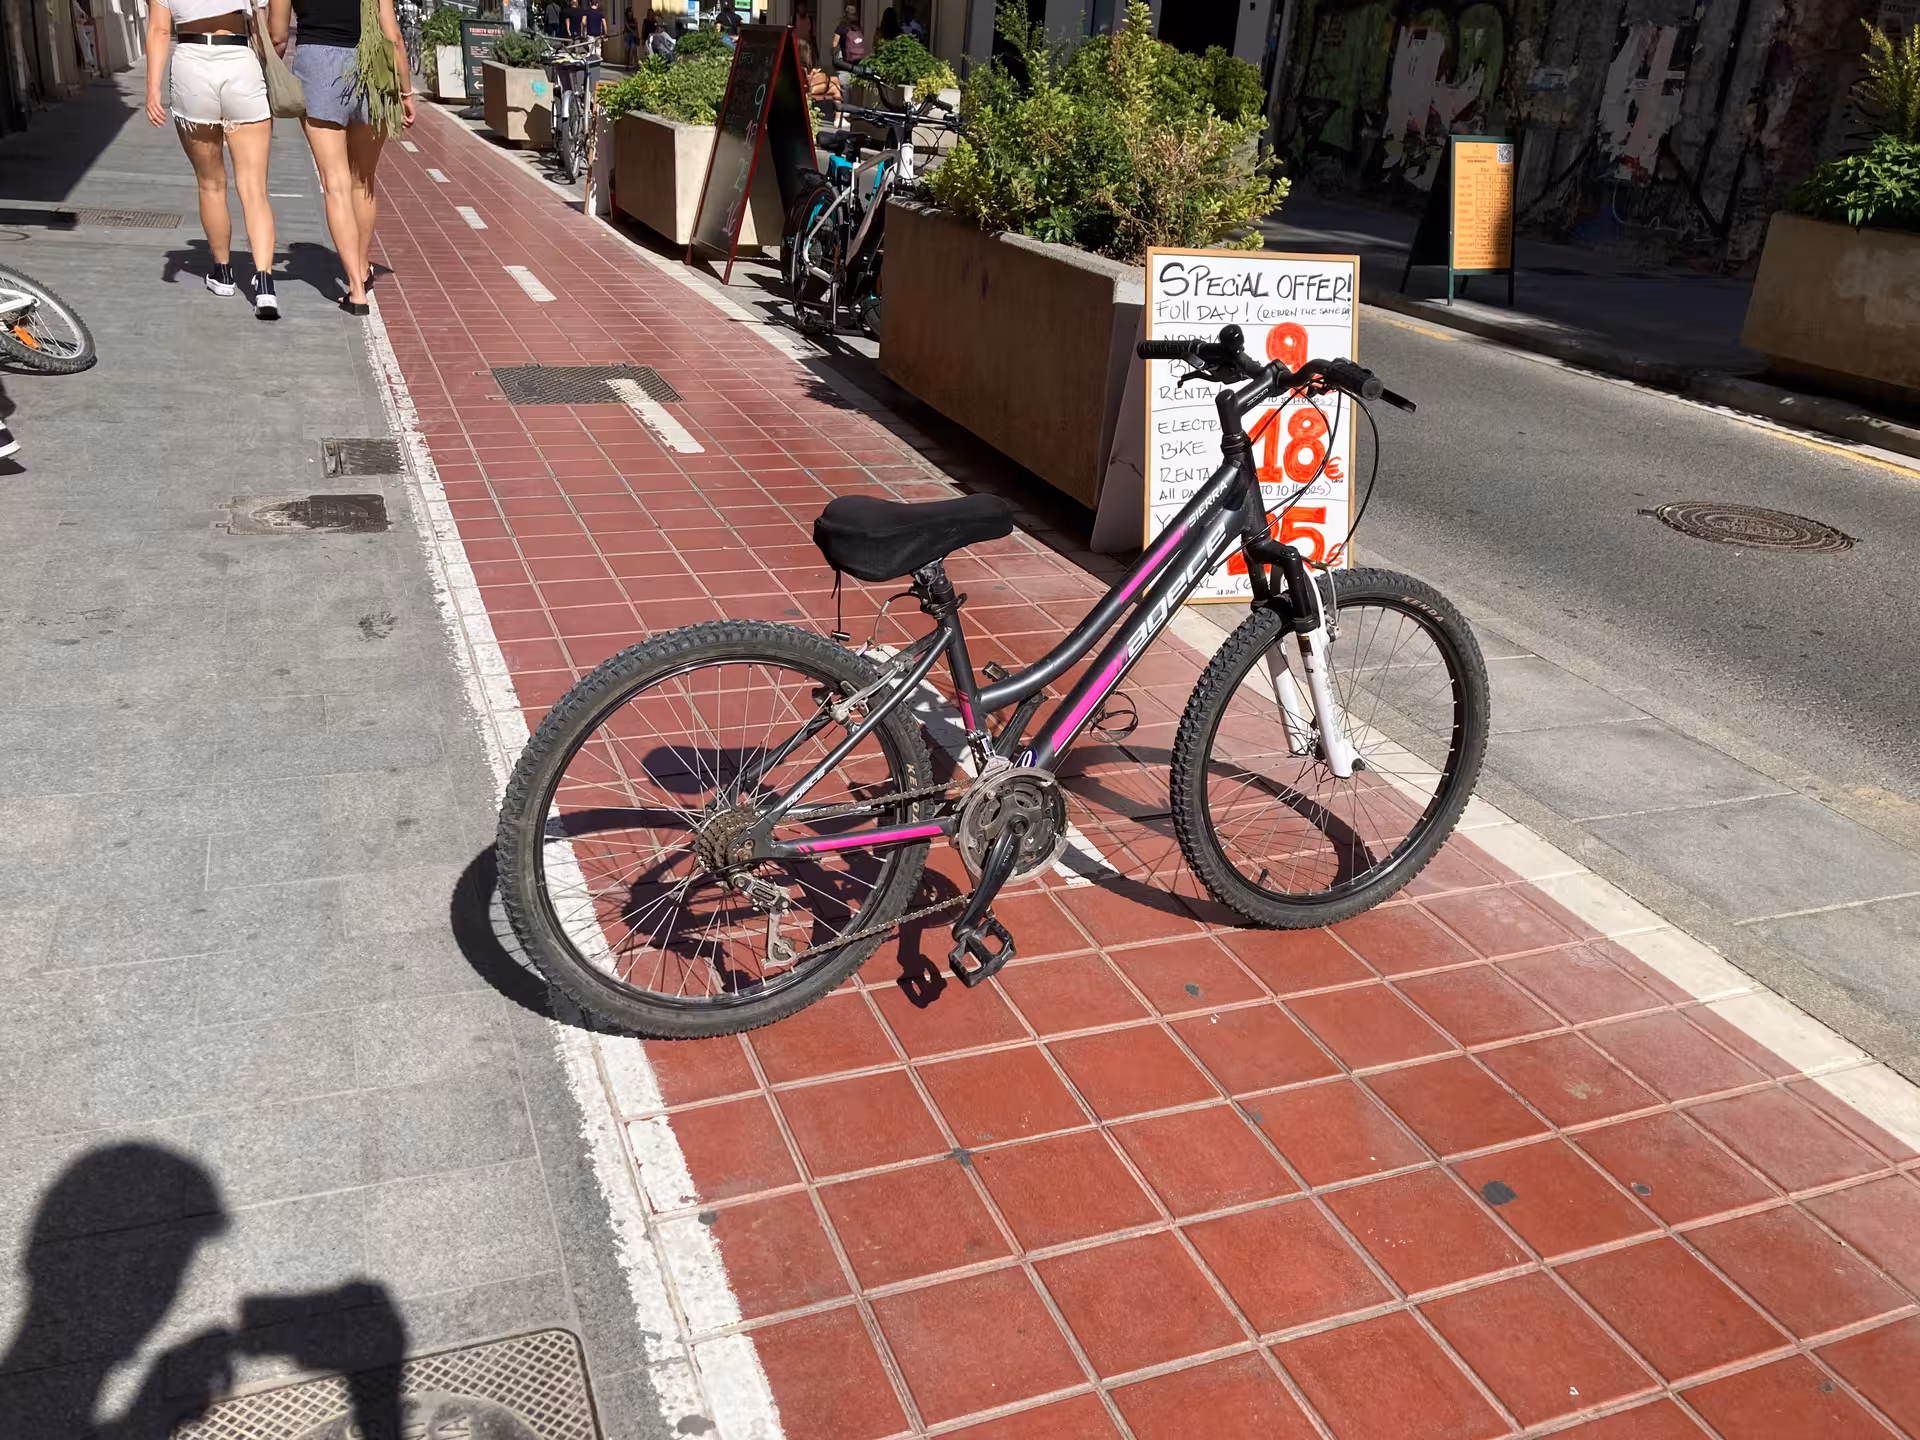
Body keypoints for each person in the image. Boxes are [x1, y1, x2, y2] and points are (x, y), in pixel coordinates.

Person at [270, 0, 414, 316]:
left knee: (335, 186)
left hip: (317, 69)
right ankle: (361, 267)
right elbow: (392, 36)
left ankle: (357, 291)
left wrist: (267, 79)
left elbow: (278, 36)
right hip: (370, 68)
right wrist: (406, 92)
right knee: (363, 182)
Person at [144, 0, 280, 318]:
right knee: (254, 189)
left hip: (191, 66)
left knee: (210, 184)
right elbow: (266, 29)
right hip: (240, 63)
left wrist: (152, 89)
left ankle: (223, 273)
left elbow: (159, 29)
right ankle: (264, 284)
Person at [797, 35, 837, 120]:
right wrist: (813, 74)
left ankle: (839, 116)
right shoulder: (803, 69)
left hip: (802, 91)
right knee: (835, 86)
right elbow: (807, 86)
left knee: (834, 82)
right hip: (806, 92)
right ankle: (838, 116)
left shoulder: (795, 66)